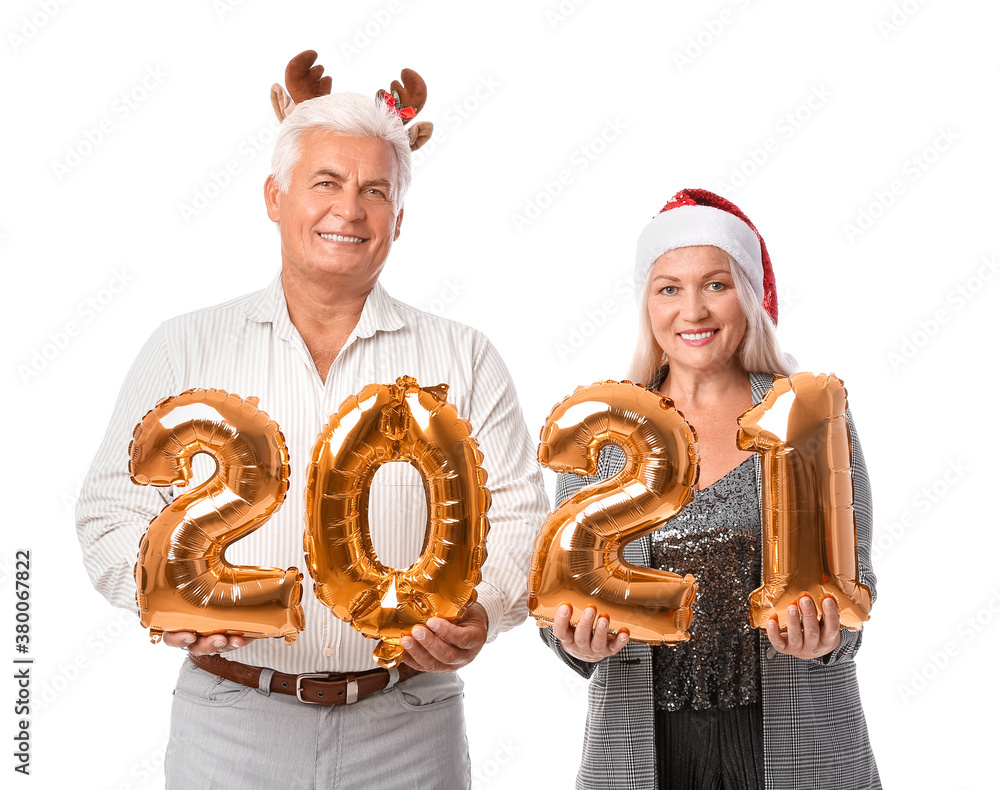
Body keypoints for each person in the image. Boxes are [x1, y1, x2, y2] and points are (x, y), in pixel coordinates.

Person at [76, 54, 548, 789]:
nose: (349, 211)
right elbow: (110, 510)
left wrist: (485, 611)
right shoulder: (185, 345)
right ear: (275, 195)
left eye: (375, 191)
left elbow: (521, 513)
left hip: (408, 722)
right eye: (326, 183)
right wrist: (160, 596)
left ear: (399, 216)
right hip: (229, 720)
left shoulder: (465, 354)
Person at [540, 188, 879, 789]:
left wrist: (828, 637)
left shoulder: (806, 418)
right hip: (647, 751)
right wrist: (575, 644)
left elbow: (857, 587)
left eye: (715, 285)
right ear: (646, 303)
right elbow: (562, 604)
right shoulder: (605, 432)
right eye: (669, 287)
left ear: (748, 295)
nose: (692, 311)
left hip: (796, 745)